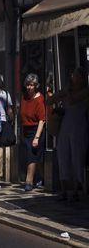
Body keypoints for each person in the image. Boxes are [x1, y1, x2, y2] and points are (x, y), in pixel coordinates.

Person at [47, 67, 89, 202]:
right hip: (65, 126)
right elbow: (49, 101)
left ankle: (77, 188)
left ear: (82, 79)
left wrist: (66, 93)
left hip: (79, 126)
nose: (73, 78)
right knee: (63, 155)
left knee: (77, 156)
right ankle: (64, 189)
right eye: (72, 76)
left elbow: (73, 100)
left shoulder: (85, 91)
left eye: (76, 76)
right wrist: (59, 94)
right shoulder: (67, 91)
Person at [20, 73, 47, 192]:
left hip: (36, 130)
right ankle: (44, 178)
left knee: (31, 156)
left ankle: (29, 181)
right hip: (26, 130)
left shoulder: (39, 99)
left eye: (31, 85)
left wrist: (36, 137)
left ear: (36, 86)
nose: (29, 87)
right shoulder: (24, 97)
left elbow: (42, 120)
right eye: (27, 85)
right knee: (37, 158)